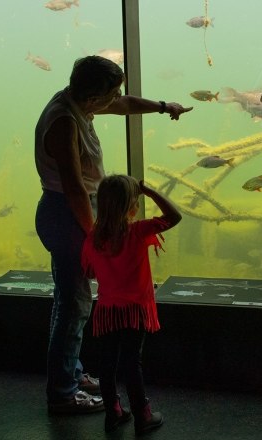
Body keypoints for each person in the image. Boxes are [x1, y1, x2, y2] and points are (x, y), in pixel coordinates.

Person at [34, 55, 192, 415]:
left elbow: (122, 104)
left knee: (71, 303)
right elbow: (74, 188)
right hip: (68, 214)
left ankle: (70, 373)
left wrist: (164, 107)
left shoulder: (76, 104)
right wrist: (96, 237)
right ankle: (62, 393)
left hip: (74, 211)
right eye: (112, 92)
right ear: (93, 98)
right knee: (73, 306)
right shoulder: (63, 122)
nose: (117, 98)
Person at [81, 175, 182, 435]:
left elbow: (89, 272)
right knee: (131, 362)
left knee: (107, 362)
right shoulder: (138, 231)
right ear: (132, 207)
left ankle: (113, 412)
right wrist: (149, 190)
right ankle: (142, 415)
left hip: (107, 311)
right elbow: (174, 216)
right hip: (135, 310)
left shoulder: (93, 238)